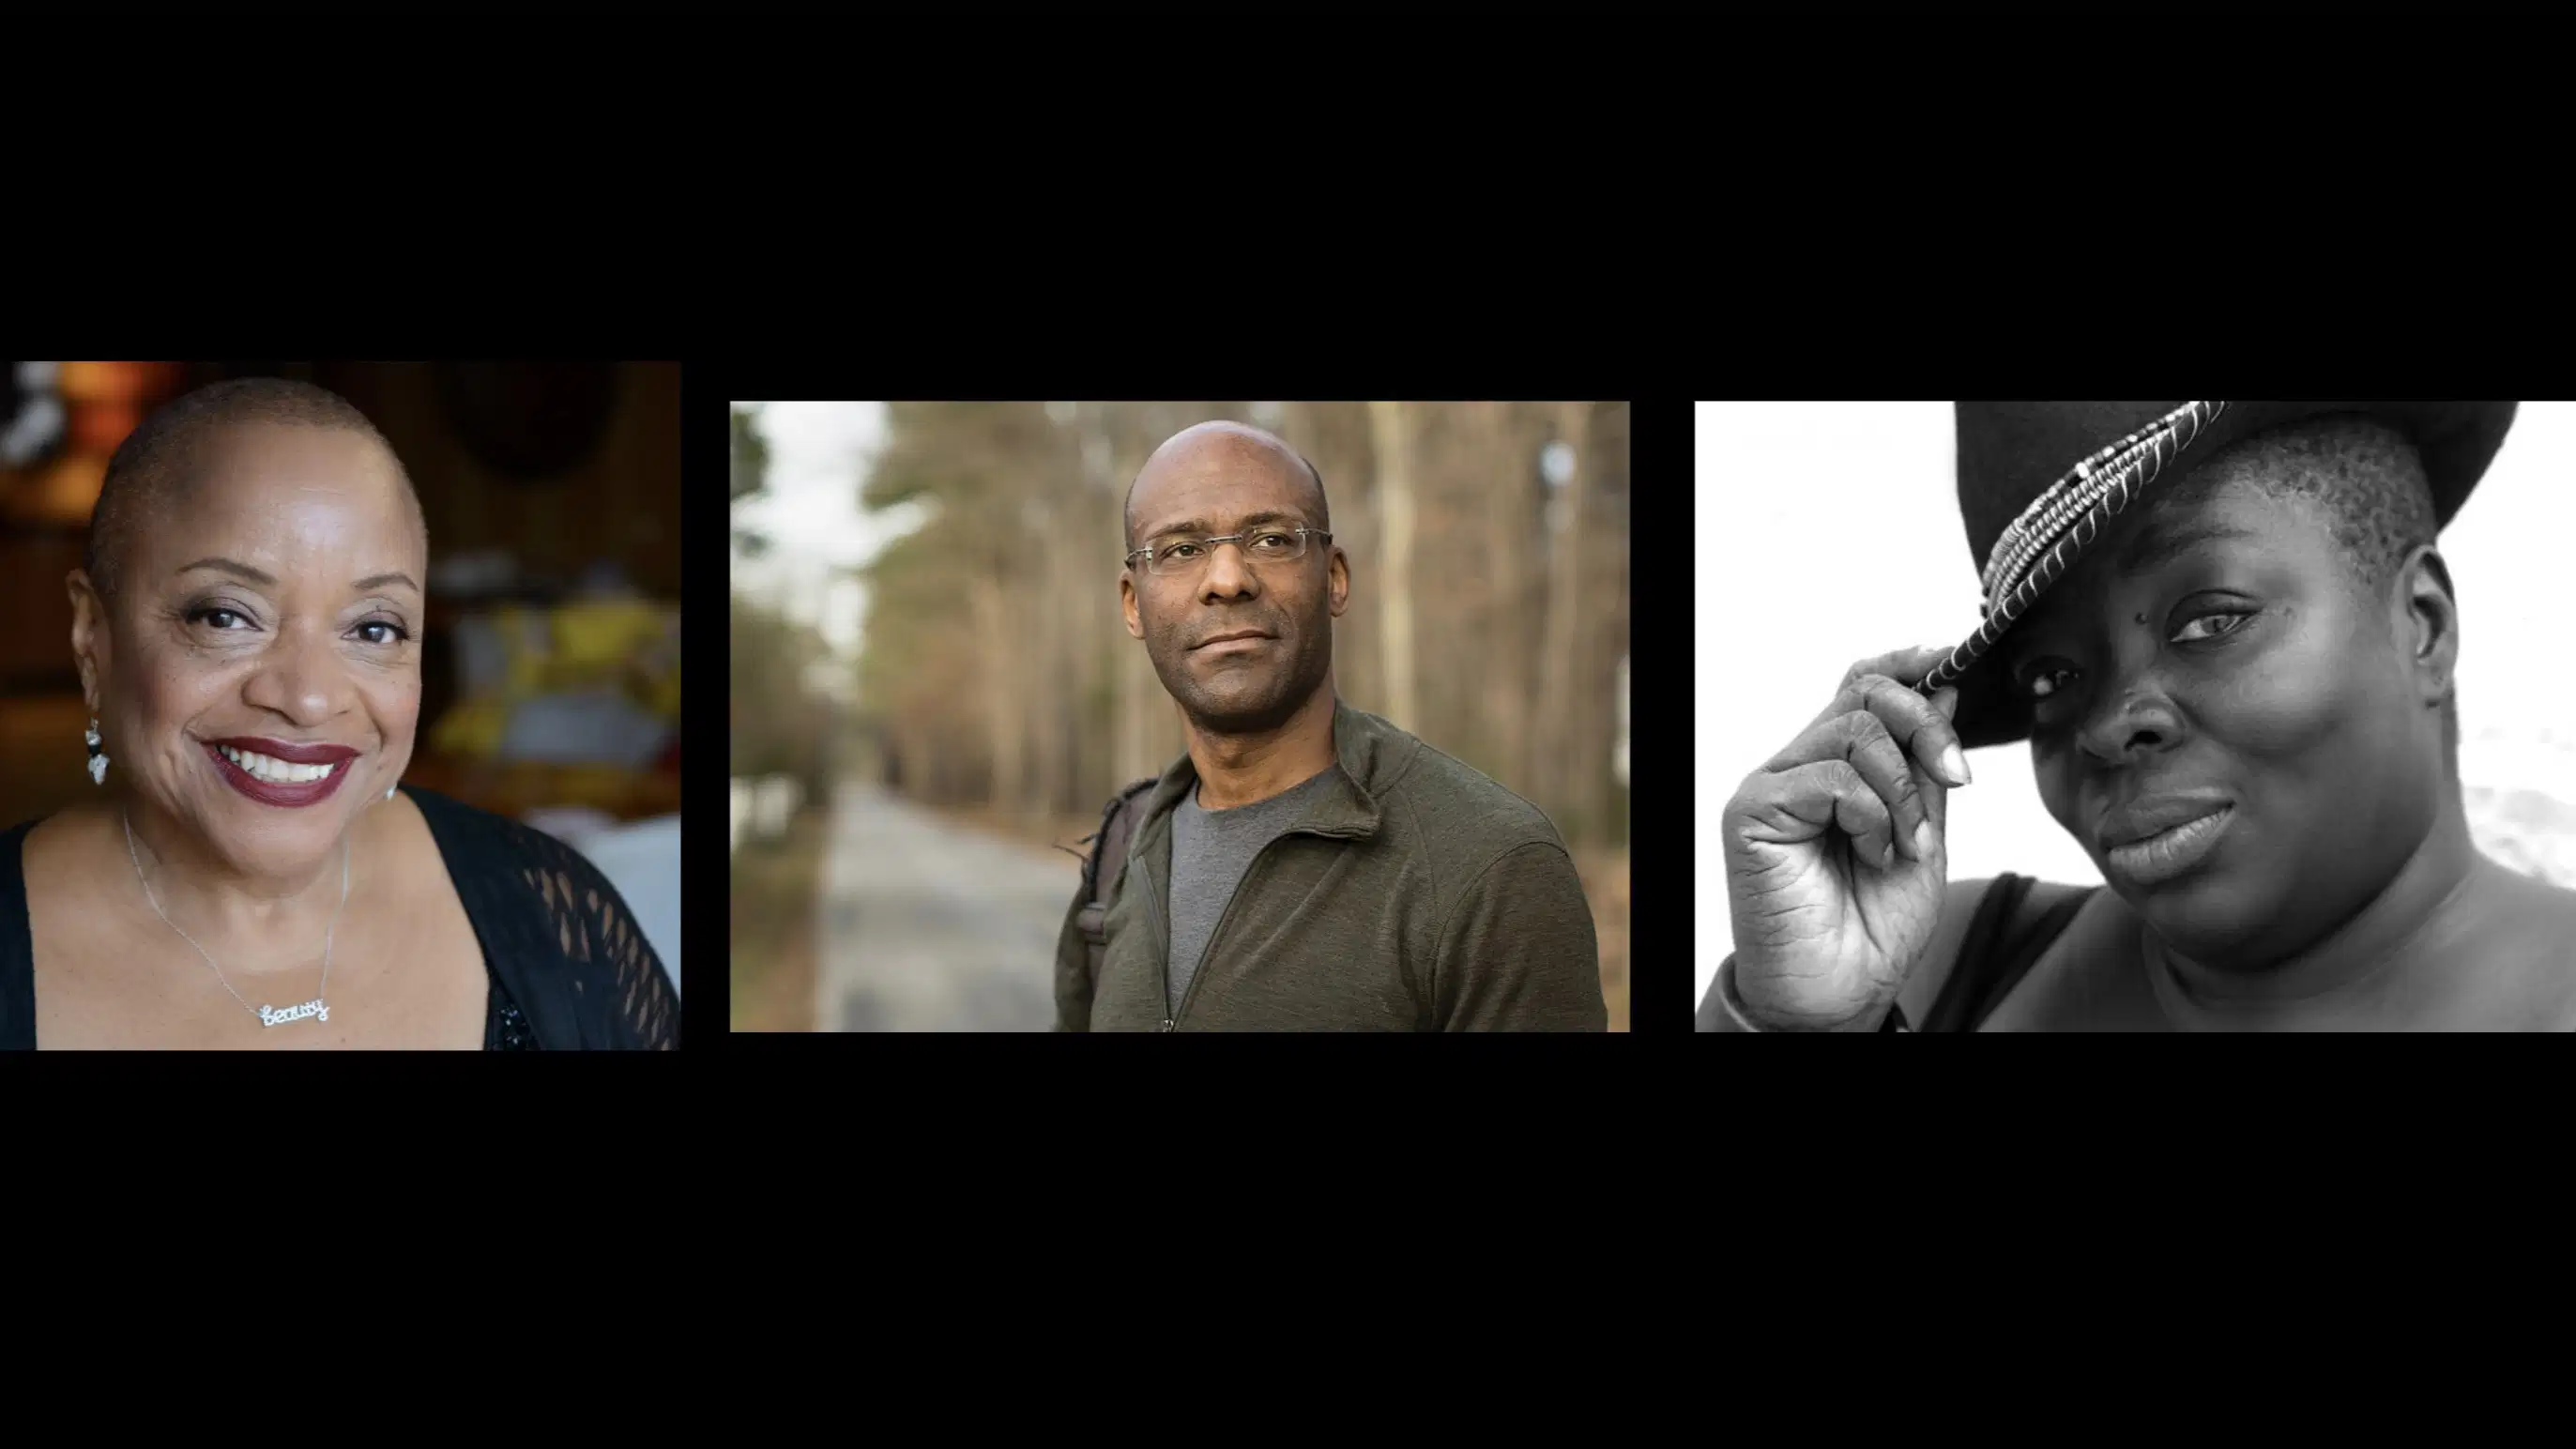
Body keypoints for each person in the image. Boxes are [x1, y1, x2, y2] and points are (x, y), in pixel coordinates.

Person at [1705, 400, 2576, 1032]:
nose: (2106, 724)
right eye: (2051, 675)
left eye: (2209, 620)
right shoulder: (1938, 974)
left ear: (2422, 624)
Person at [0, 375, 678, 1049]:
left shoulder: (556, 916)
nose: (309, 698)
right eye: (227, 616)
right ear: (94, 635)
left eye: (374, 629)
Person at [1055, 419, 1605, 1031]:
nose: (1227, 579)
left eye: (1270, 540)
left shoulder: (1488, 864)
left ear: (1334, 578)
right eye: (1181, 550)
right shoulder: (1123, 852)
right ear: (1133, 602)